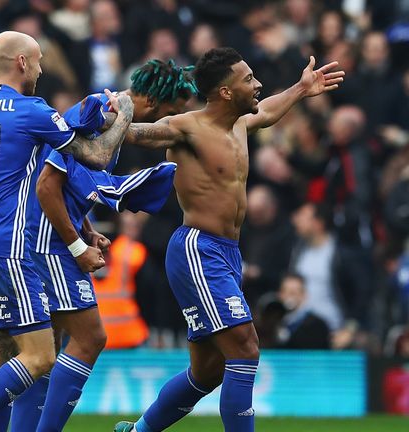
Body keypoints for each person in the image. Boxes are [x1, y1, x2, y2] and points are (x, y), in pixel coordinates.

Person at [113, 47, 344, 432]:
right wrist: (110, 114)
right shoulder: (186, 126)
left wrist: (302, 89)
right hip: (197, 249)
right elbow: (137, 133)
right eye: (249, 79)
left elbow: (268, 110)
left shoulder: (241, 124)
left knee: (207, 372)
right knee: (246, 348)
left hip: (226, 253)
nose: (257, 85)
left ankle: (138, 431)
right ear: (224, 92)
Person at [0, 31, 134, 432]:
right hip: (11, 248)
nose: (40, 69)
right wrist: (124, 112)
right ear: (22, 63)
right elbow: (96, 156)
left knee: (2, 355)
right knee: (41, 357)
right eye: (38, 61)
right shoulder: (31, 110)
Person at [0, 59, 195, 432]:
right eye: (169, 114)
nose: (165, 125)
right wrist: (77, 246)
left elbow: (69, 180)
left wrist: (86, 228)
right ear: (153, 104)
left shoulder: (108, 119)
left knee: (44, 354)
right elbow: (45, 185)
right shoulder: (97, 111)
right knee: (90, 338)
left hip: (45, 237)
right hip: (47, 242)